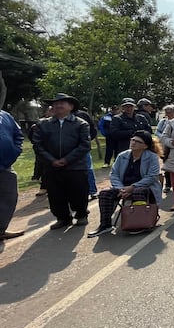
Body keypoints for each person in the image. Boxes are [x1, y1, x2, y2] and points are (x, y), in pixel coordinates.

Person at [31, 93, 91, 229]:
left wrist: (66, 159)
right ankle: (63, 218)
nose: (58, 105)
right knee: (56, 194)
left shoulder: (80, 124)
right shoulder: (43, 124)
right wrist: (52, 160)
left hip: (75, 166)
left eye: (62, 103)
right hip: (51, 166)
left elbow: (84, 145)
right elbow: (38, 145)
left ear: (71, 106)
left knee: (78, 192)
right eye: (55, 103)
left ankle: (81, 215)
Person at [87, 130, 162, 237]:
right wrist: (120, 189)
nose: (133, 143)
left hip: (145, 187)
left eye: (137, 141)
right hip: (123, 188)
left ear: (145, 146)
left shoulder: (152, 157)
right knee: (104, 193)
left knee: (139, 191)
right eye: (132, 140)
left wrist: (132, 187)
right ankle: (105, 225)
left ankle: (139, 222)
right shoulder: (122, 156)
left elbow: (152, 177)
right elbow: (114, 174)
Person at [0, 109, 25, 240]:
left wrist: (14, 152)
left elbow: (18, 135)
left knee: (8, 196)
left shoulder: (4, 115)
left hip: (5, 165)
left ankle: (0, 229)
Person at [155, 104, 174, 193]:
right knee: (167, 166)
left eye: (170, 112)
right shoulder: (163, 121)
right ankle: (168, 185)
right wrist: (164, 138)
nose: (168, 114)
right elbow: (157, 131)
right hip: (166, 147)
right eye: (166, 112)